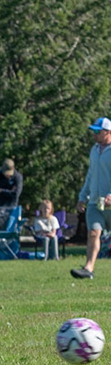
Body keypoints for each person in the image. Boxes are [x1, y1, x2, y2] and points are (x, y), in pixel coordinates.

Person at [73, 118, 111, 280]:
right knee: (93, 233)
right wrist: (83, 197)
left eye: (98, 131)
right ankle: (88, 268)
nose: (94, 134)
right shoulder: (94, 150)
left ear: (108, 132)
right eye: (93, 131)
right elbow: (90, 176)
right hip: (96, 202)